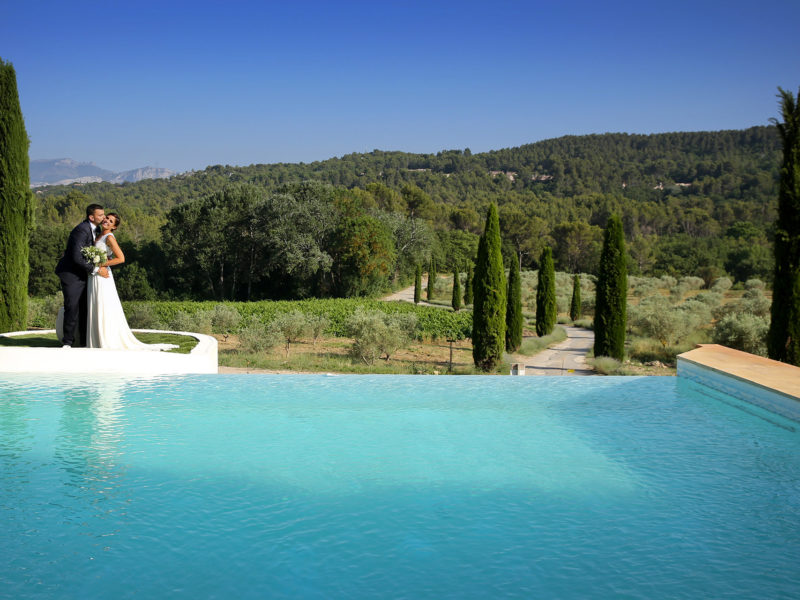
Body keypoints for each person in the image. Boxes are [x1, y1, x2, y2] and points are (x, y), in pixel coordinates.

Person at [86, 213, 176, 351]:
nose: (106, 221)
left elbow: (121, 258)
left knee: (103, 305)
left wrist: (102, 264)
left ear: (114, 227)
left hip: (102, 275)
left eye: (110, 221)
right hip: (95, 274)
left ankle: (105, 340)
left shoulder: (109, 237)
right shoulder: (98, 234)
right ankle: (96, 340)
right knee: (96, 304)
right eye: (106, 218)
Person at [55, 204, 109, 347]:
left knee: (85, 307)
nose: (103, 217)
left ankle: (85, 341)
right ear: (91, 217)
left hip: (84, 274)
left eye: (104, 214)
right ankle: (67, 342)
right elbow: (76, 258)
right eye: (100, 215)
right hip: (71, 274)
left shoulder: (96, 229)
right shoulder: (81, 230)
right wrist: (96, 269)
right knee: (72, 307)